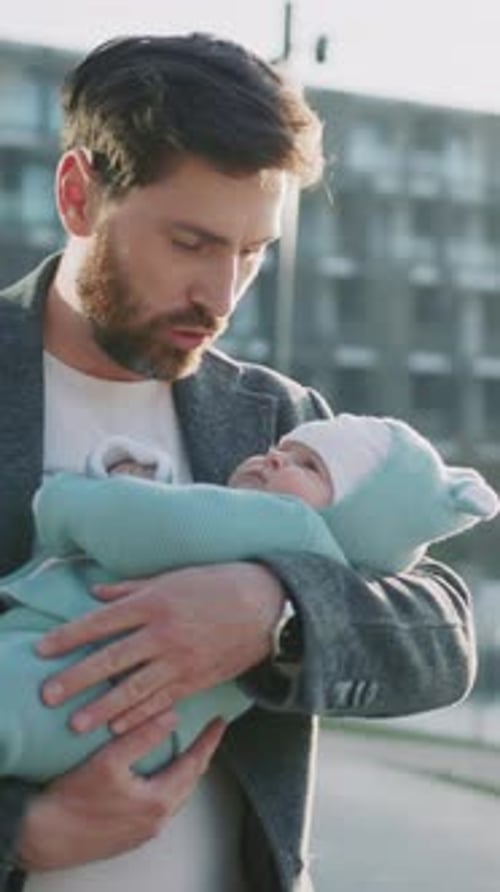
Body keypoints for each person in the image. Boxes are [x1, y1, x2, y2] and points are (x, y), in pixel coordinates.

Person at [0, 32, 477, 892]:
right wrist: (25, 834)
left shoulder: (280, 417)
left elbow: (442, 630)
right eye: (191, 243)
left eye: (252, 253)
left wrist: (274, 610)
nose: (221, 297)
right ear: (78, 196)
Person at [0, 417, 497, 783]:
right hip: (110, 706)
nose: (275, 457)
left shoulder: (287, 522)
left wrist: (65, 499)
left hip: (77, 685)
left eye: (309, 465)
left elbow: (145, 525)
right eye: (281, 448)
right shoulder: (281, 523)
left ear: (354, 522)